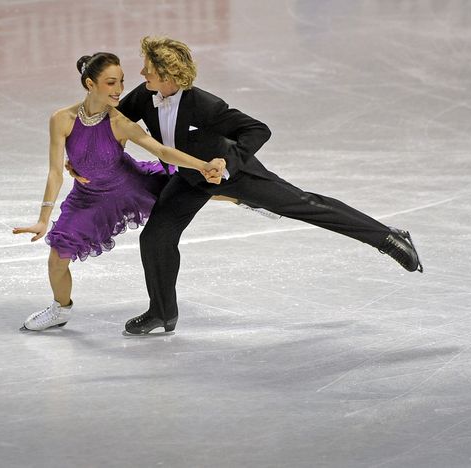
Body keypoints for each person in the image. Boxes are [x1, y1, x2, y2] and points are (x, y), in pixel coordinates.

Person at [117, 36, 424, 336]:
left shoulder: (204, 105)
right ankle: (162, 312)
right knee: (156, 237)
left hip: (235, 175)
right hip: (189, 179)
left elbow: (257, 129)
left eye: (148, 69)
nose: (142, 73)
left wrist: (227, 165)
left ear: (168, 74)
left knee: (302, 204)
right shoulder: (145, 96)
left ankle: (387, 237)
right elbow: (110, 119)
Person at [12, 52, 226, 331]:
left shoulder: (119, 122)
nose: (120, 90)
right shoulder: (61, 119)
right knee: (56, 259)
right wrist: (43, 218)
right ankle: (60, 309)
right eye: (111, 83)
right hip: (89, 198)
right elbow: (55, 173)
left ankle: (246, 197)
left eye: (122, 82)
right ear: (90, 84)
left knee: (194, 185)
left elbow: (161, 150)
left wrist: (202, 165)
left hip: (132, 185)